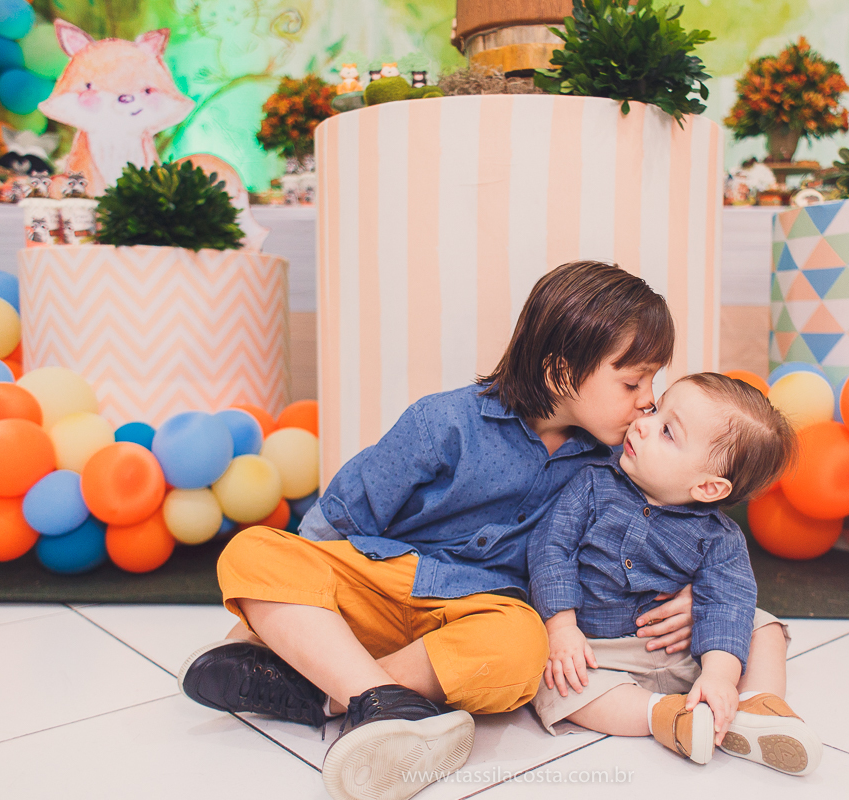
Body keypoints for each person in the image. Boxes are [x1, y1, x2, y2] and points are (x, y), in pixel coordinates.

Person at [179, 261, 689, 800]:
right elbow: (340, 518)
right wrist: (277, 605)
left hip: (477, 610)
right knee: (253, 550)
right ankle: (381, 696)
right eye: (633, 381)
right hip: (380, 584)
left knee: (523, 647)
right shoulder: (442, 423)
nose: (649, 398)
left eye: (651, 380)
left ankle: (334, 695)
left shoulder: (616, 461)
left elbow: (684, 519)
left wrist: (692, 591)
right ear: (561, 372)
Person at [527, 373, 823, 776]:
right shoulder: (592, 483)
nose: (643, 423)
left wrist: (720, 674)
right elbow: (551, 550)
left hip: (684, 652)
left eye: (667, 431)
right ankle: (665, 716)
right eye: (656, 408)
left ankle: (755, 706)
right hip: (598, 652)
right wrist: (562, 628)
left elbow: (726, 601)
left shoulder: (720, 538)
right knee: (555, 682)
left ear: (707, 487)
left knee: (760, 626)